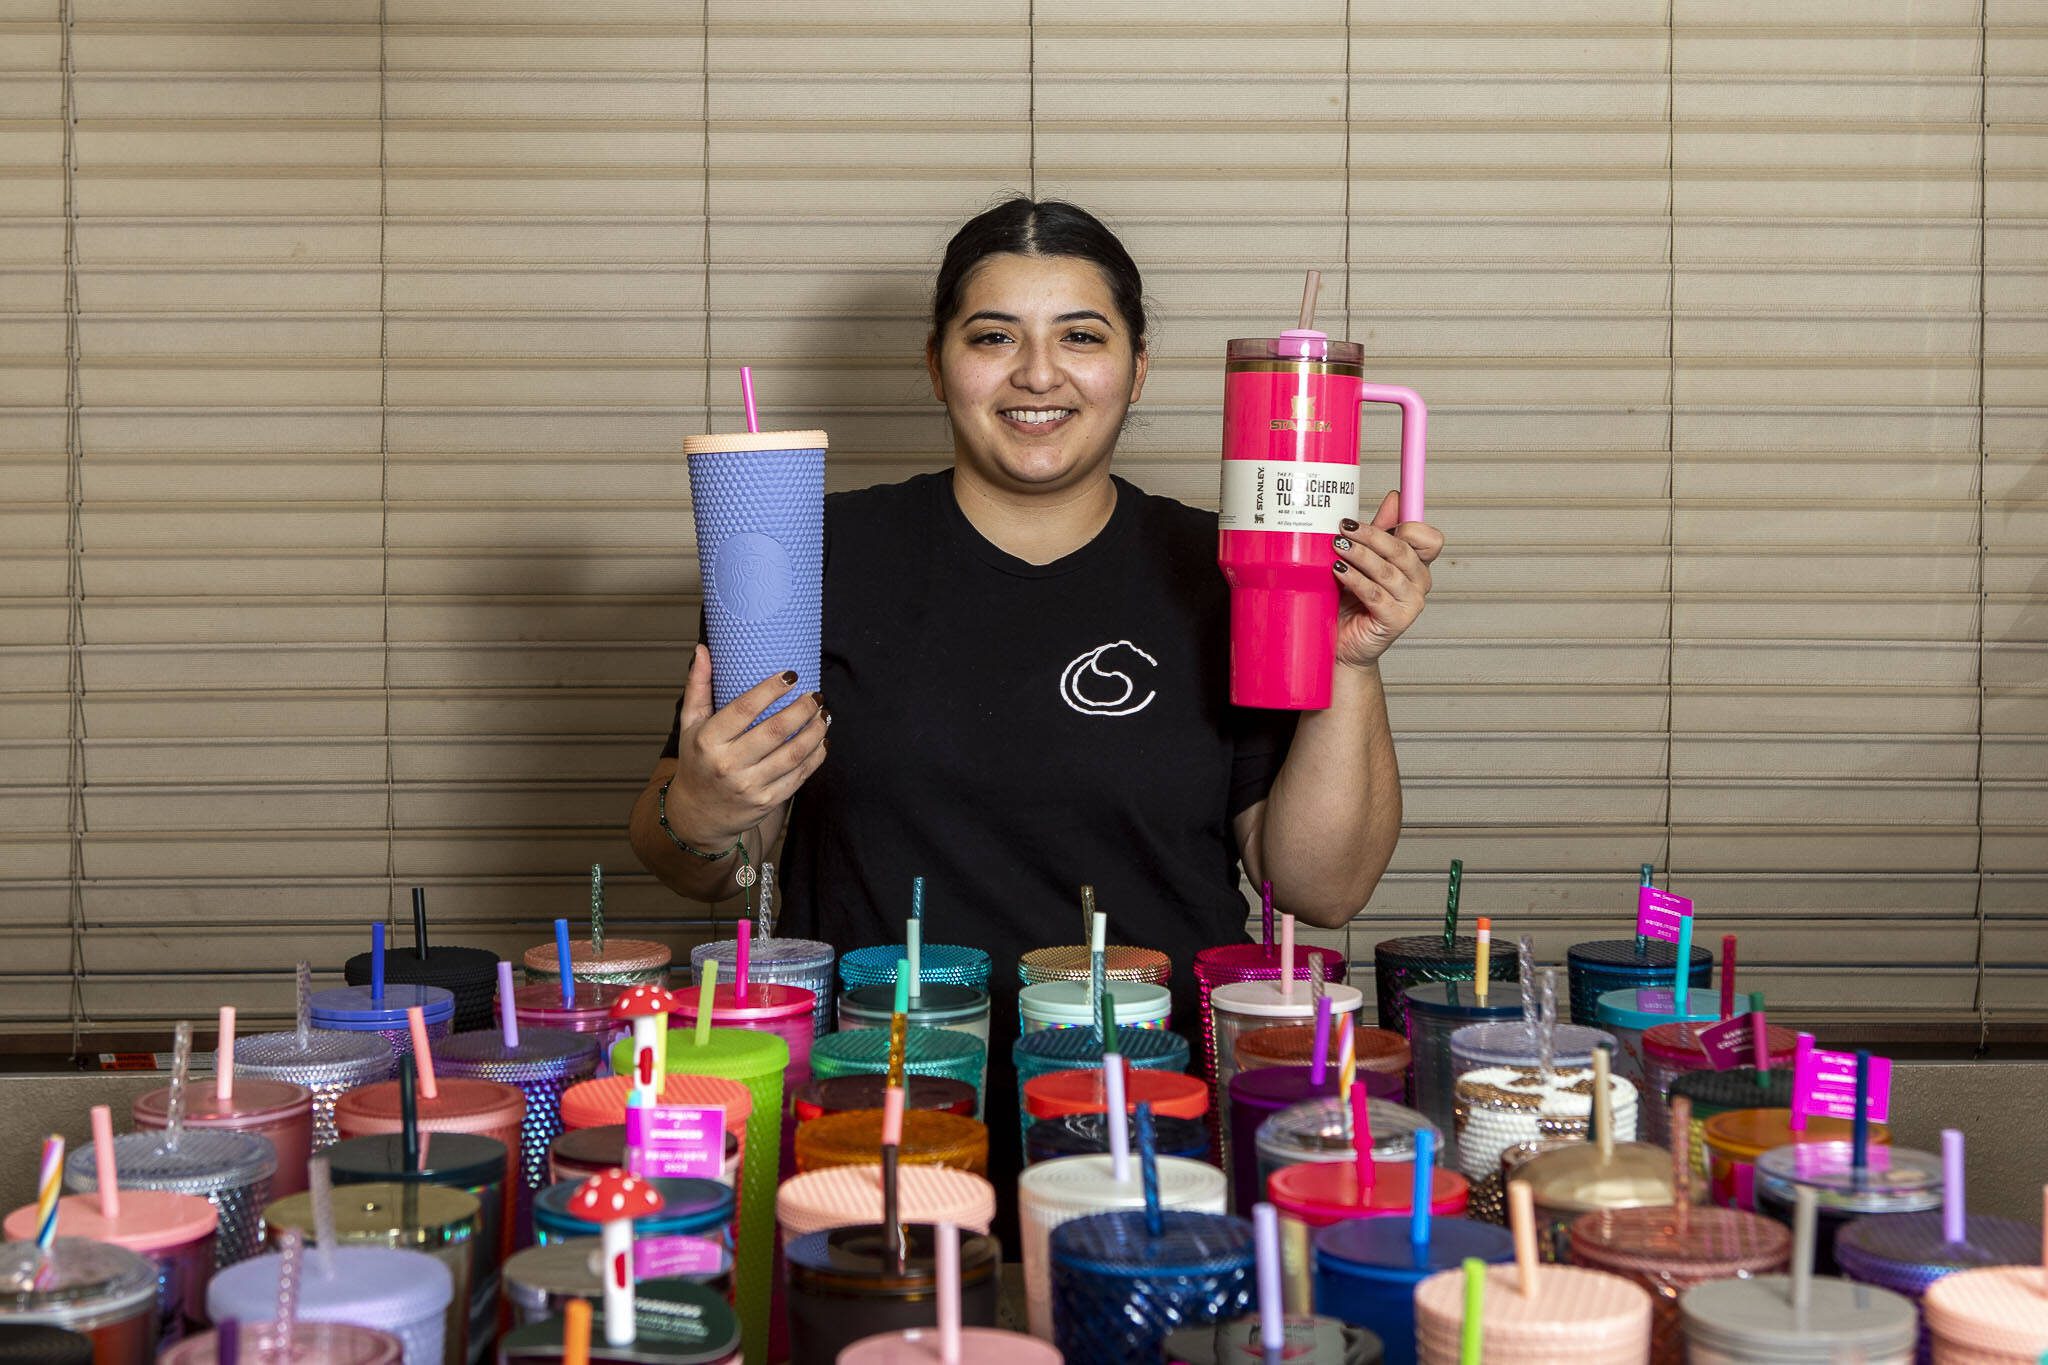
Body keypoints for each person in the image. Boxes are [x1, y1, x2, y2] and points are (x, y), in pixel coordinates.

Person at [631, 196, 1440, 1176]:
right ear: (936, 364)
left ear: (1137, 370)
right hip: (886, 1108)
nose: (1037, 373)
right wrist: (704, 807)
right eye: (992, 337)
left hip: (1154, 1117)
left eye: (1080, 336)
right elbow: (706, 862)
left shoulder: (1227, 564)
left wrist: (1349, 664)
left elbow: (1320, 885)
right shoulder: (811, 544)